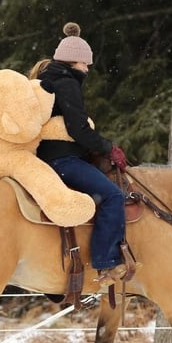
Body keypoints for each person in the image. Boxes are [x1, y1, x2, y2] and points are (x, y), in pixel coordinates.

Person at [30, 22, 129, 286]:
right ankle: (106, 264)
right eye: (85, 65)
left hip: (43, 158)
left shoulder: (44, 81)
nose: (87, 70)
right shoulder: (66, 83)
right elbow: (78, 129)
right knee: (112, 196)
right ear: (75, 62)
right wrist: (109, 147)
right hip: (62, 161)